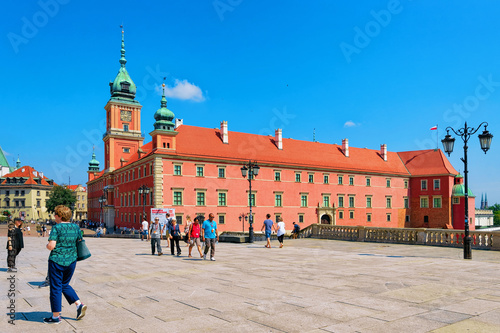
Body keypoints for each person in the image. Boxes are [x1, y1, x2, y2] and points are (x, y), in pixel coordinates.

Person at [44, 205, 86, 324]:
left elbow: (51, 245)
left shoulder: (57, 228)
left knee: (56, 287)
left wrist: (47, 246)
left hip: (57, 261)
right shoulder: (76, 227)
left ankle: (56, 317)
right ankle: (79, 305)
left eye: (55, 214)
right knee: (64, 284)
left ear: (60, 216)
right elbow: (79, 241)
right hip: (71, 261)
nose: (54, 216)